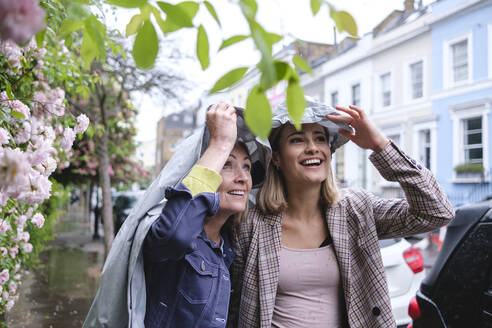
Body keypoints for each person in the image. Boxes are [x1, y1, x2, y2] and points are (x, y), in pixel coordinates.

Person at [227, 99, 455, 328]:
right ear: (276, 157)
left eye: (320, 138)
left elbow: (436, 212)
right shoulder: (250, 225)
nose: (312, 147)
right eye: (297, 139)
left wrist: (380, 146)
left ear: (329, 152)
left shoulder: (356, 210)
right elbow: (232, 308)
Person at [82, 102, 270, 328]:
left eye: (247, 167)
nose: (242, 177)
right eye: (227, 165)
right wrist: (219, 145)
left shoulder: (228, 246)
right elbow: (176, 235)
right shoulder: (170, 232)